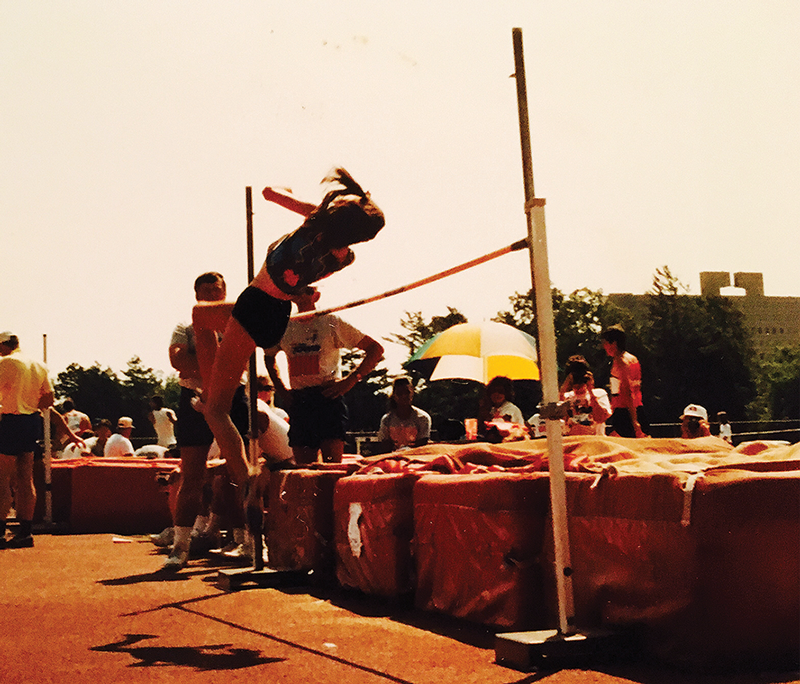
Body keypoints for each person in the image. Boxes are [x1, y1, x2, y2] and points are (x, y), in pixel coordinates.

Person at [192, 168, 384, 486]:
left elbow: (269, 192)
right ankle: (212, 390)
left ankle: (246, 479)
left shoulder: (314, 222)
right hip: (278, 314)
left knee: (216, 411)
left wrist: (285, 190)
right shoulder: (345, 257)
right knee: (201, 317)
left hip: (256, 305)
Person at [160, 271, 250, 572]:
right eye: (206, 290)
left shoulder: (237, 324)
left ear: (225, 292)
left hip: (232, 395)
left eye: (217, 289)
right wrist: (218, 363)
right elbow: (177, 361)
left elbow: (241, 358)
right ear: (197, 294)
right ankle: (180, 546)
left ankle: (247, 540)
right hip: (194, 397)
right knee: (192, 474)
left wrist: (206, 363)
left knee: (240, 469)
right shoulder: (185, 327)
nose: (212, 294)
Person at [265, 287, 384, 464]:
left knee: (330, 466)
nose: (300, 292)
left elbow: (375, 349)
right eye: (296, 288)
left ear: (316, 295)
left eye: (306, 289)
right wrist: (281, 389)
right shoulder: (285, 326)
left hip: (327, 397)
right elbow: (268, 356)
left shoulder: (330, 321)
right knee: (304, 468)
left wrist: (350, 381)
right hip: (300, 400)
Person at [0, 332, 83, 548]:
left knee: (3, 477)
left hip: (9, 420)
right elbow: (48, 399)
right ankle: (25, 532)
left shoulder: (5, 363)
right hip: (31, 421)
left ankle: (0, 531)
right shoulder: (39, 364)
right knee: (25, 477)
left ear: (3, 346)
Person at [601, 325, 647, 438]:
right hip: (637, 407)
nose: (604, 346)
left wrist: (634, 421)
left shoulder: (620, 362)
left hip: (625, 412)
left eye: (606, 343)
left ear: (614, 344)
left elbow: (626, 391)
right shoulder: (633, 359)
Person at [559, 355, 613, 436]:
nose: (578, 384)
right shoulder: (566, 397)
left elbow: (600, 418)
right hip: (572, 441)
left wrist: (591, 391)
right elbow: (558, 418)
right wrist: (564, 386)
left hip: (595, 440)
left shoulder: (599, 394)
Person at [375, 376, 431, 451]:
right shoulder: (387, 420)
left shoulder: (422, 418)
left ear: (412, 393)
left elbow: (422, 444)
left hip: (417, 457)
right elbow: (385, 445)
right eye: (400, 393)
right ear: (394, 396)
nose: (403, 396)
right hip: (394, 458)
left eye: (407, 393)